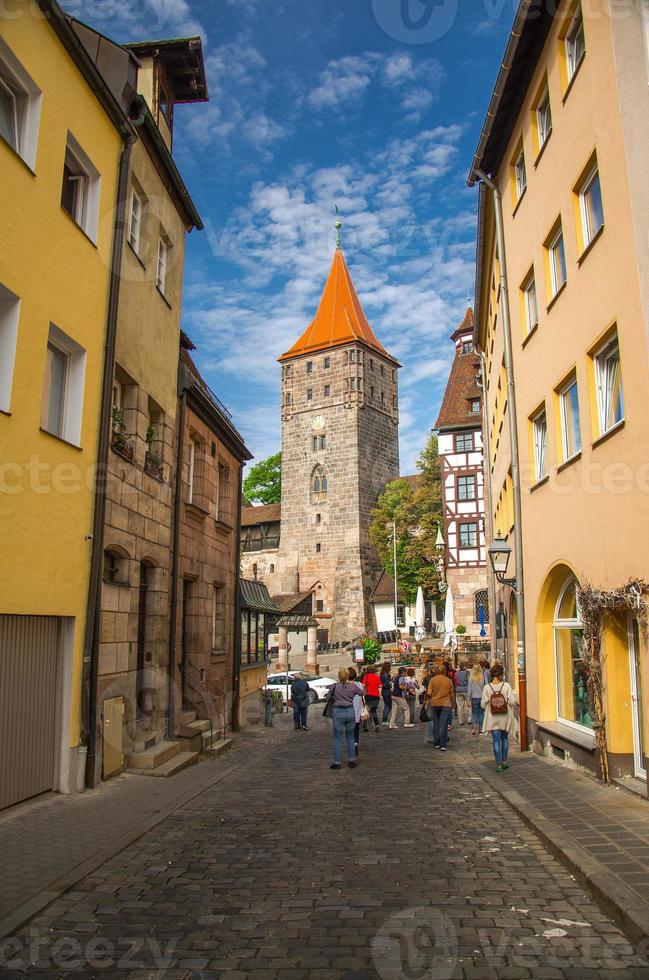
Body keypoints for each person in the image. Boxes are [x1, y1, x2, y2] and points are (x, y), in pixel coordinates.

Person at [480, 662, 517, 772]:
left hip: (492, 717)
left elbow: (483, 704)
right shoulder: (506, 686)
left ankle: (498, 764)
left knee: (496, 741)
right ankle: (504, 761)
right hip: (505, 717)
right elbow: (512, 702)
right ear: (501, 674)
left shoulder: (487, 687)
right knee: (504, 739)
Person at [327, 667, 364, 769]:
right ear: (347, 676)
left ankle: (337, 762)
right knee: (351, 737)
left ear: (339, 676)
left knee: (337, 738)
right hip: (350, 712)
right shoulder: (352, 686)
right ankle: (352, 761)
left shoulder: (334, 686)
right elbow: (362, 693)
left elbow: (327, 697)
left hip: (338, 712)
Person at [426, 664, 455, 750]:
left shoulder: (432, 680)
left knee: (436, 723)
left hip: (435, 704)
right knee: (444, 724)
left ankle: (437, 742)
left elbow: (429, 693)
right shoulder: (448, 680)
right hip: (446, 704)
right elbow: (452, 693)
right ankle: (443, 744)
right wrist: (453, 703)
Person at [347, 666, 365, 753]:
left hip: (348, 711)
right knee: (356, 729)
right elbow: (362, 696)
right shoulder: (359, 684)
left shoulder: (344, 685)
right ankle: (355, 743)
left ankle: (351, 744)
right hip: (357, 710)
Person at [362, 665, 382, 731]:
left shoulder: (366, 677)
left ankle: (366, 727)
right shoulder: (376, 676)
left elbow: (363, 686)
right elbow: (380, 685)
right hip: (376, 696)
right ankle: (377, 725)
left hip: (368, 695)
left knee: (366, 711)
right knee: (373, 711)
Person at [468, 662, 486, 735]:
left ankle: (474, 726)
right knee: (481, 714)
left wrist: (468, 700)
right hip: (481, 697)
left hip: (474, 697)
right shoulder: (483, 677)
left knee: (474, 713)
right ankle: (481, 730)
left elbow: (469, 690)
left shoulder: (471, 678)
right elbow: (486, 688)